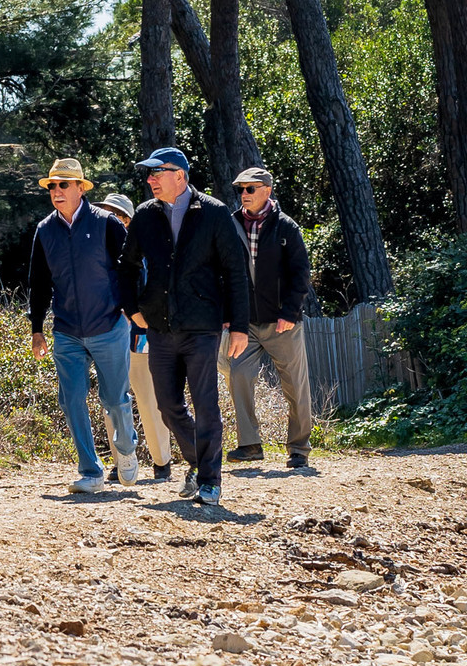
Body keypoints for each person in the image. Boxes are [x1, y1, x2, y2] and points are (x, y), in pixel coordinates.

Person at [117, 146, 249, 506]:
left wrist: (239, 326)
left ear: (180, 175)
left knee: (205, 403)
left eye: (156, 173)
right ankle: (198, 462)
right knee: (168, 406)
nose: (150, 180)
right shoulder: (145, 215)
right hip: (159, 327)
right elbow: (126, 266)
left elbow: (236, 271)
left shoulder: (214, 213)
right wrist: (133, 309)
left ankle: (210, 480)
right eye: (149, 174)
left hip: (203, 327)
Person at [28, 157, 138, 497]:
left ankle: (126, 446)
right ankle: (91, 471)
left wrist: (131, 311)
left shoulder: (107, 224)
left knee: (114, 398)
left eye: (63, 185)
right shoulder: (45, 230)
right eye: (52, 186)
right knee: (72, 398)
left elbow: (130, 270)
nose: (57, 191)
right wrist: (37, 328)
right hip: (66, 330)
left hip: (109, 325)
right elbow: (39, 282)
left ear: (80, 188)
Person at [225, 164, 315, 472]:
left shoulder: (286, 226)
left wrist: (289, 312)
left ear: (267, 190)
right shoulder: (231, 224)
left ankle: (299, 450)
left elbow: (301, 273)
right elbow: (222, 273)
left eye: (250, 189)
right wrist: (228, 315)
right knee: (238, 374)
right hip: (245, 324)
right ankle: (250, 445)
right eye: (241, 190)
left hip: (282, 323)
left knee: (295, 387)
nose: (244, 195)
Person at [98, 192, 174, 484]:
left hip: (139, 337)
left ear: (129, 220)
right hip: (107, 338)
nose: (111, 218)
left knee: (149, 399)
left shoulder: (140, 251)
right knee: (112, 404)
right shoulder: (97, 252)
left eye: (117, 214)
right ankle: (121, 463)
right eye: (106, 213)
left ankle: (162, 462)